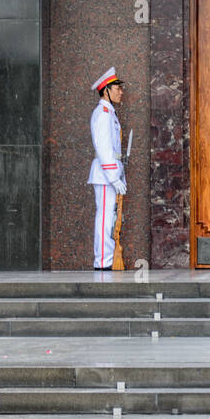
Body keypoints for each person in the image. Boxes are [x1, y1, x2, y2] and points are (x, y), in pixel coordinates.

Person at [88, 67, 126, 269]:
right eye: (117, 88)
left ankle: (107, 259)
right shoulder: (102, 114)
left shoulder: (109, 113)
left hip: (110, 174)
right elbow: (103, 148)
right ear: (106, 91)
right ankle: (103, 261)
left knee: (110, 218)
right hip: (105, 175)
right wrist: (113, 176)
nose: (121, 92)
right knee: (105, 218)